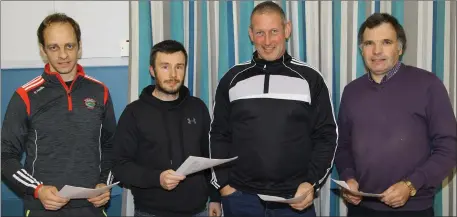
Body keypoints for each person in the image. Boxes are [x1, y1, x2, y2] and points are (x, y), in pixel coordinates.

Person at [209, 1, 338, 216]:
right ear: (250, 34)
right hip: (241, 198)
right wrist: (224, 185)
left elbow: (326, 136)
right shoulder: (232, 79)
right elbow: (219, 134)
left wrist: (310, 183)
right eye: (260, 32)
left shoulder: (310, 79)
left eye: (274, 31)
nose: (267, 41)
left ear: (287, 29)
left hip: (294, 200)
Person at [334, 12, 457, 217]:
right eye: (369, 43)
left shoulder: (428, 85)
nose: (377, 51)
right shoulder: (351, 91)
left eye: (386, 42)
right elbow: (342, 146)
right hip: (361, 209)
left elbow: (449, 147)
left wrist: (411, 185)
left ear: (399, 48)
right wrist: (349, 178)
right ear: (361, 50)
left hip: (413, 209)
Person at [1, 13, 116, 217]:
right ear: (43, 50)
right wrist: (37, 190)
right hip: (43, 208)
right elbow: (4, 156)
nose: (63, 55)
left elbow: (112, 147)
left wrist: (105, 185)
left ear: (79, 46)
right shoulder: (25, 96)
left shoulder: (100, 92)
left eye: (69, 46)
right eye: (54, 47)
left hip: (90, 207)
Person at [111, 40, 221, 217]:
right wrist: (157, 178)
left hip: (198, 210)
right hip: (151, 212)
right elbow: (119, 166)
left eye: (179, 67)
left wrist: (215, 197)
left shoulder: (198, 108)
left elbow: (209, 156)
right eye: (165, 67)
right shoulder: (134, 113)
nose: (173, 74)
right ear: (152, 71)